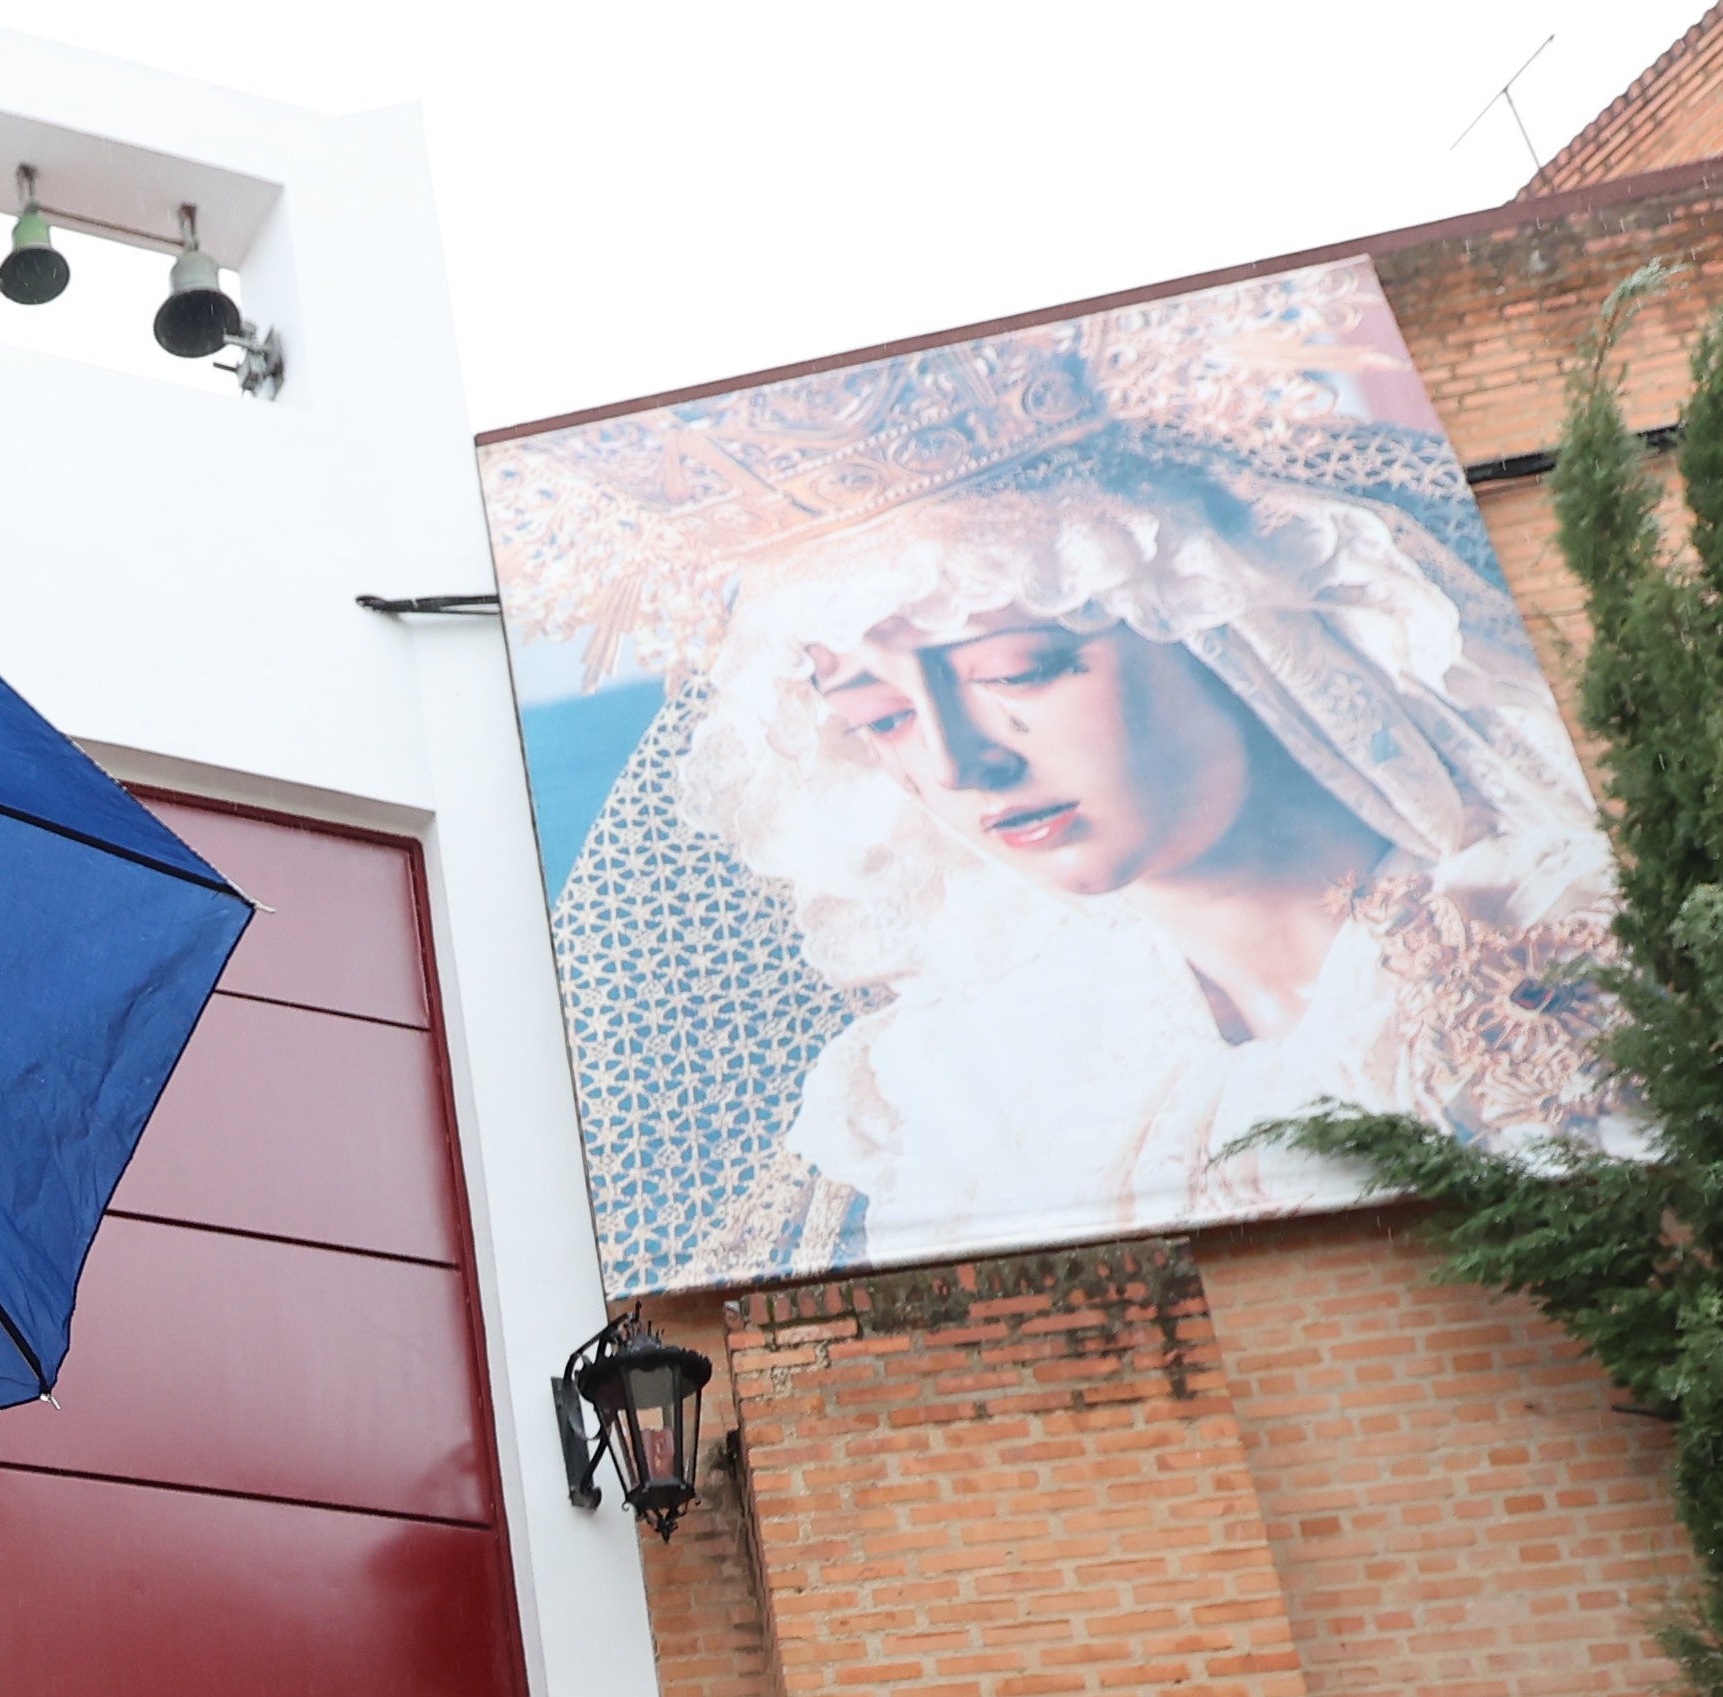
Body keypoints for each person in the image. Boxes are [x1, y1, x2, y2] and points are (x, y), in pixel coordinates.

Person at [503, 264, 1650, 1282]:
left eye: (1025, 668)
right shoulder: (960, 1083)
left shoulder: (1561, 924)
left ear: (1219, 624)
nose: (961, 761)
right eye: (884, 718)